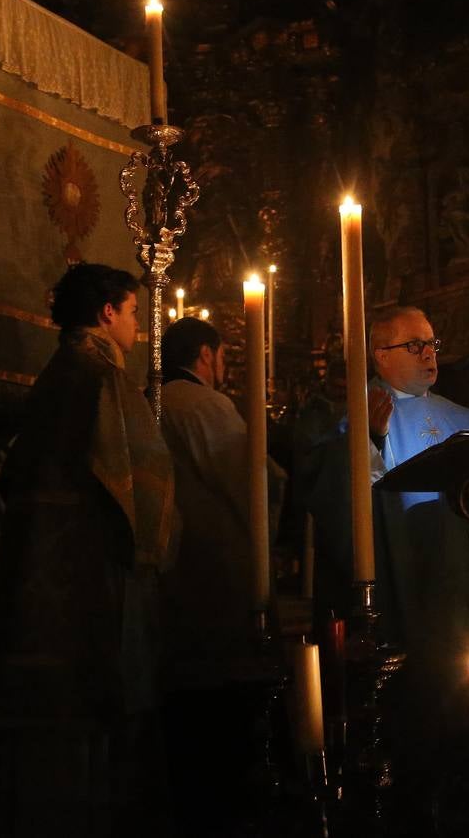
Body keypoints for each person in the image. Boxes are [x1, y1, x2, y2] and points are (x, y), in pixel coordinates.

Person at [0, 263, 174, 838]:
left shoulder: (57, 372)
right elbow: (138, 485)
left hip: (43, 568)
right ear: (107, 313)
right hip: (95, 575)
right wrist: (157, 551)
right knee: (96, 726)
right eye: (133, 312)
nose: (137, 325)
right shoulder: (101, 377)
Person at [156, 315, 284, 832]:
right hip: (214, 573)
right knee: (221, 705)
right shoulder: (201, 403)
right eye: (224, 356)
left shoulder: (152, 400)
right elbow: (252, 481)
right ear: (207, 355)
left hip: (173, 571)